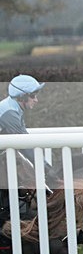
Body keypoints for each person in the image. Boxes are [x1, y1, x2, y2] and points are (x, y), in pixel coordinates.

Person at [0, 75, 46, 220]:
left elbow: (25, 141)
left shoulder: (13, 109)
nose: (36, 100)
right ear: (22, 97)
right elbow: (26, 147)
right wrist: (45, 167)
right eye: (33, 96)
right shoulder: (8, 113)